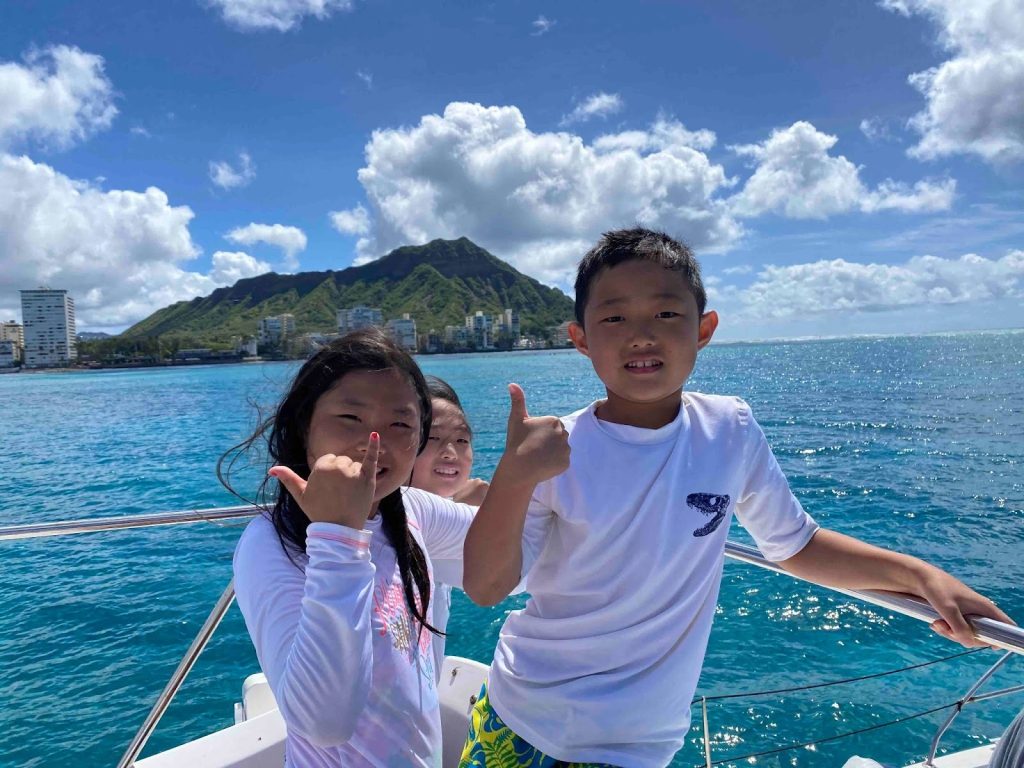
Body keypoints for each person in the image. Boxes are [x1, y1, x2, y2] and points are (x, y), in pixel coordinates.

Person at [460, 227, 1014, 768]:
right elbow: (487, 587)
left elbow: (795, 546)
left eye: (666, 313)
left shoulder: (730, 428)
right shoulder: (556, 449)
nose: (641, 334)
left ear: (704, 329)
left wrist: (921, 577)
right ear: (580, 337)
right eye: (614, 317)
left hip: (640, 744)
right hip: (523, 715)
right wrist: (513, 475)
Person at [224, 328, 566, 767]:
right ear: (302, 426)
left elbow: (517, 564)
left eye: (400, 424)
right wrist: (338, 538)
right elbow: (325, 724)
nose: (375, 442)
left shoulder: (410, 512)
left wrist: (519, 479)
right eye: (350, 418)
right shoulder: (271, 542)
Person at [408, 375, 489, 676]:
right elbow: (517, 575)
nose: (451, 452)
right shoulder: (410, 517)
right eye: (432, 438)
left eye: (462, 440)